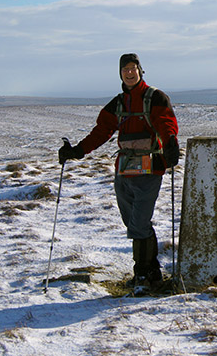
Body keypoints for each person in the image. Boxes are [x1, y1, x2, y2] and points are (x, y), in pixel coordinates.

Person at [59, 53, 179, 289]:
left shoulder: (156, 97)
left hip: (150, 168)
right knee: (132, 222)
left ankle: (142, 275)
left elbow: (167, 124)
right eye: (125, 69)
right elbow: (101, 131)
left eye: (133, 68)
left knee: (139, 222)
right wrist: (78, 151)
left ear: (140, 70)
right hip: (124, 171)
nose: (130, 72)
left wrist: (171, 142)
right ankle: (153, 272)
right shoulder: (117, 103)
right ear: (120, 73)